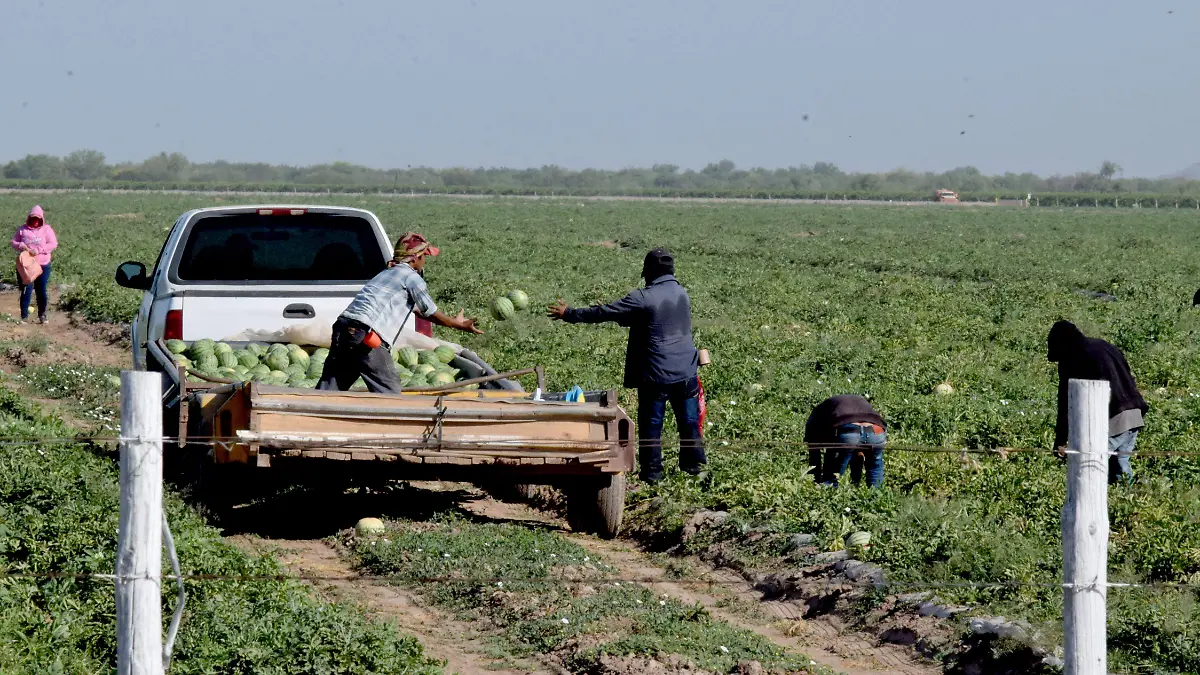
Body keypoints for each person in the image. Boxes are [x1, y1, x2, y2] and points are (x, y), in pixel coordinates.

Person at [548, 247, 706, 484]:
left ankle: (652, 477)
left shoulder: (642, 297)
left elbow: (605, 313)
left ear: (648, 271)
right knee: (689, 423)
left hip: (656, 375)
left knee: (652, 427)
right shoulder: (682, 293)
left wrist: (569, 313)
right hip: (686, 372)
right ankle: (696, 471)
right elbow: (650, 319)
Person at [317, 232, 482, 393]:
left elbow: (420, 311)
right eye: (425, 256)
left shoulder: (386, 273)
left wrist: (453, 320)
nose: (425, 261)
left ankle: (307, 416)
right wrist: (458, 324)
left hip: (343, 327)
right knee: (390, 390)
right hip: (366, 335)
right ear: (415, 257)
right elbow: (430, 311)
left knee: (331, 387)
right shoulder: (411, 278)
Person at [1048, 320, 1148, 484]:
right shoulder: (1103, 346)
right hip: (1135, 412)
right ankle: (1127, 504)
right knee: (1120, 468)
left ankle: (1106, 506)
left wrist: (1060, 440)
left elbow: (1066, 402)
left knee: (1089, 467)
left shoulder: (1072, 357)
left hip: (1114, 418)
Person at [805, 394, 886, 488]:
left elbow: (814, 453)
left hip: (850, 431)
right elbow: (861, 439)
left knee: (832, 477)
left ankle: (828, 492)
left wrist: (815, 480)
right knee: (874, 466)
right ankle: (875, 497)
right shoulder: (857, 400)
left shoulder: (816, 417)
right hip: (875, 430)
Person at [10, 205, 58, 324]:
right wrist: (20, 245)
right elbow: (13, 242)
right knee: (26, 290)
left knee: (41, 290)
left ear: (41, 219)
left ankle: (42, 315)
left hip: (42, 265)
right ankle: (24, 317)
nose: (35, 221)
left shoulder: (46, 229)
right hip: (26, 266)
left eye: (38, 219)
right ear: (29, 218)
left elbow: (53, 244)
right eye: (33, 218)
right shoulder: (23, 230)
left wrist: (39, 250)